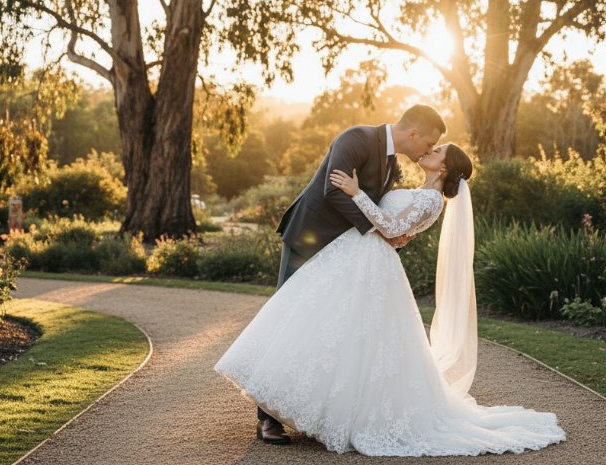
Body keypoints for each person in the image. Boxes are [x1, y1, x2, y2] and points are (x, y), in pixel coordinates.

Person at [215, 142, 566, 456]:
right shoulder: (419, 192)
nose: (429, 150)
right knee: (326, 326)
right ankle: (289, 408)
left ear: (443, 168)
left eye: (437, 150)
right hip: (355, 256)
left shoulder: (431, 200)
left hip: (371, 265)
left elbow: (392, 229)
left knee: (354, 336)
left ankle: (334, 413)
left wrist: (355, 192)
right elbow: (396, 230)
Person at [247, 105, 446, 444]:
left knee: (325, 328)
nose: (427, 151)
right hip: (310, 238)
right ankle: (267, 418)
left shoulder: (392, 161)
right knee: (289, 319)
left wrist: (397, 233)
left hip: (344, 251)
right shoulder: (357, 138)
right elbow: (333, 189)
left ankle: (304, 406)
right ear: (412, 133)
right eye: (428, 143)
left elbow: (385, 208)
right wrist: (378, 230)